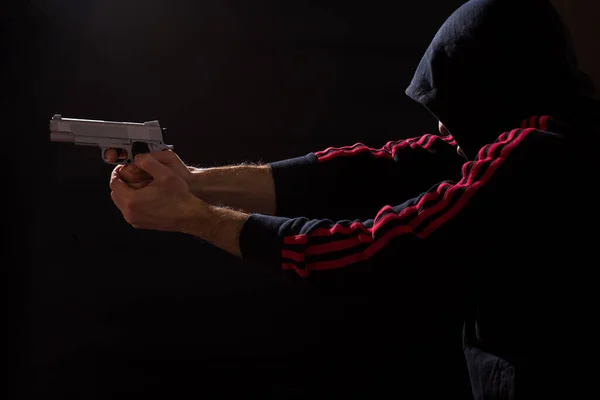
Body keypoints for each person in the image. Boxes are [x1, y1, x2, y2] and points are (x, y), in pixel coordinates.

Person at [107, 0, 599, 398]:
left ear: (496, 88)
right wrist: (193, 179)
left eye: (454, 102)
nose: (444, 125)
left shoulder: (538, 154)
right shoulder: (558, 129)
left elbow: (371, 251)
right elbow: (370, 170)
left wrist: (195, 218)